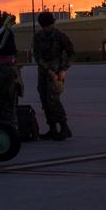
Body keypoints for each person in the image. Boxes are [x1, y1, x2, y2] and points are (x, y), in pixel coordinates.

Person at [32, 11, 75, 140]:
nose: (46, 29)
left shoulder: (61, 36)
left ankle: (64, 127)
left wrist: (64, 69)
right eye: (44, 27)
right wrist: (46, 69)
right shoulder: (38, 37)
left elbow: (71, 53)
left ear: (52, 24)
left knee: (53, 100)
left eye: (48, 26)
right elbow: (37, 55)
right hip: (44, 73)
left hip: (57, 73)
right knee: (45, 101)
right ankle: (52, 129)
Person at [0, 13, 20, 128]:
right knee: (9, 103)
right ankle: (12, 129)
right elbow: (14, 51)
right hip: (10, 67)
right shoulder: (9, 34)